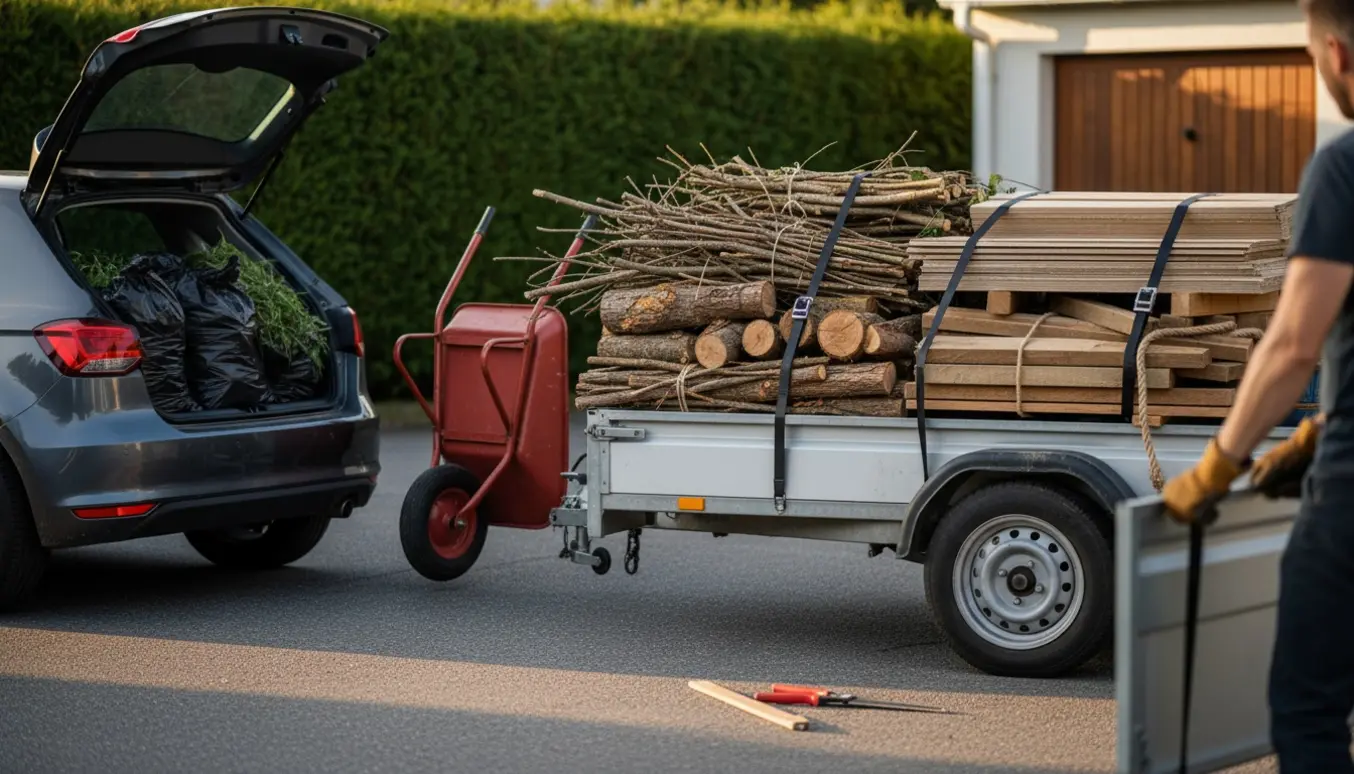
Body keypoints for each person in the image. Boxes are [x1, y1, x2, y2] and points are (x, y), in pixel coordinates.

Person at [1160, 1, 1354, 770]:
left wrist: (1219, 465)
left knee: (1307, 714)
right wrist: (1316, 428)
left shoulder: (1344, 168)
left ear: (1337, 55)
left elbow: (1293, 345)